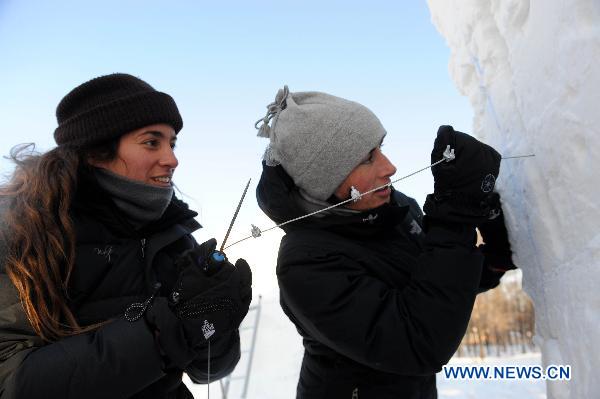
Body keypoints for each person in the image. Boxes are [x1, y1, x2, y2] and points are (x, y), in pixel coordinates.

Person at [0, 73, 252, 398]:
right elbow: (12, 382)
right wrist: (161, 334)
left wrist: (214, 320)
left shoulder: (174, 236)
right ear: (96, 151)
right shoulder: (27, 231)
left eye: (172, 143)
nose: (172, 159)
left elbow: (207, 371)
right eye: (152, 142)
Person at [255, 86, 516, 399]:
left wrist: (491, 239)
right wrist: (454, 214)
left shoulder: (388, 208)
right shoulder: (304, 264)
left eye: (380, 148)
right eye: (367, 159)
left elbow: (433, 282)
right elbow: (417, 341)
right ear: (323, 179)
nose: (389, 167)